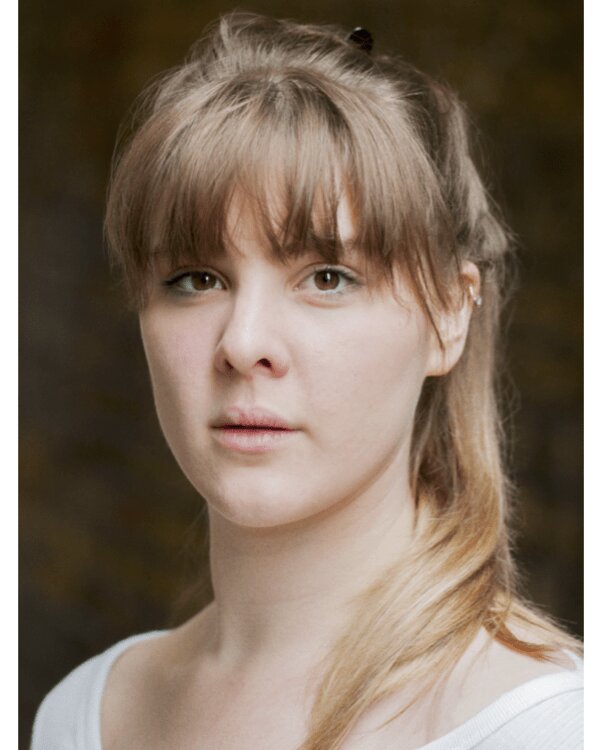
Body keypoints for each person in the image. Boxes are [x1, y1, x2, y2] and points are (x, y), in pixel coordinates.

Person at [31, 12, 582, 750]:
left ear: (450, 315)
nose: (244, 343)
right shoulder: (82, 717)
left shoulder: (546, 728)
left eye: (327, 277)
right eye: (196, 278)